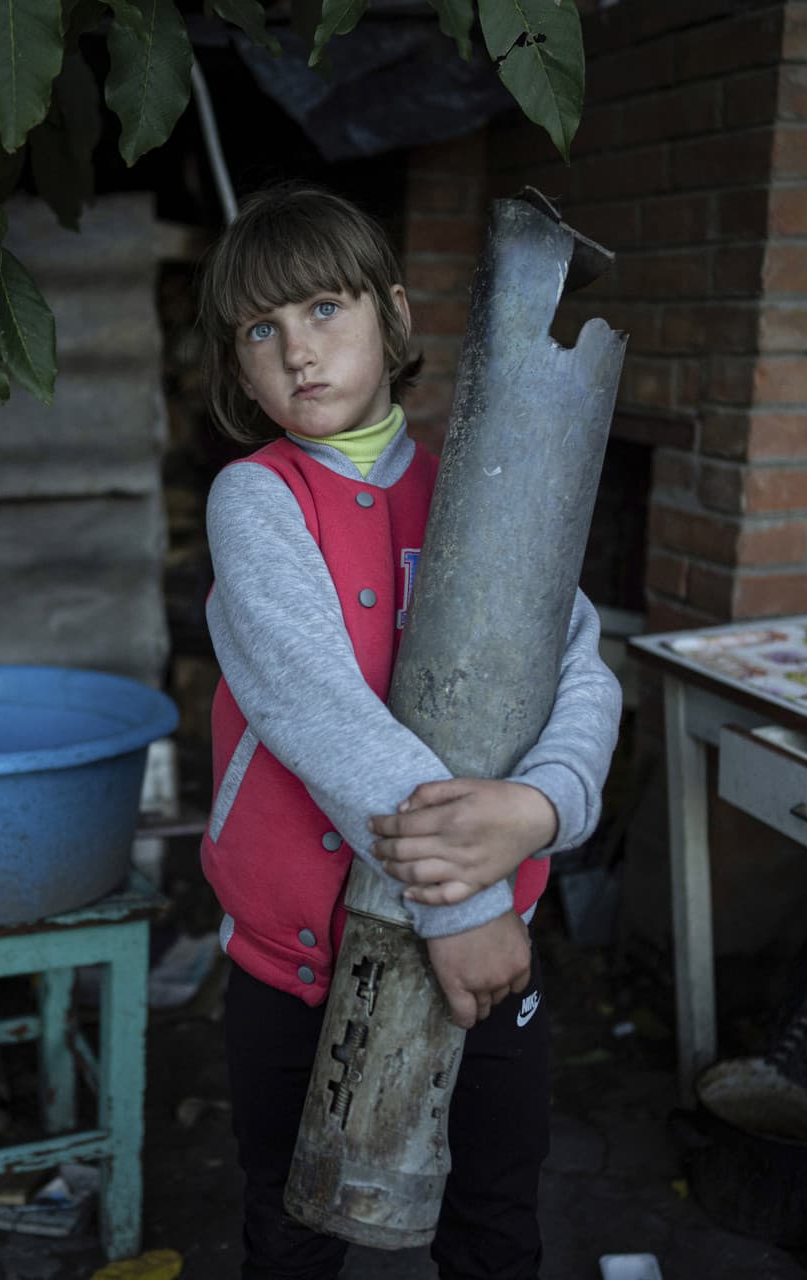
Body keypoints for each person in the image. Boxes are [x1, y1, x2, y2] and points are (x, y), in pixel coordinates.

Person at [196, 182, 622, 1279]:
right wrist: (467, 905)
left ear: (392, 316)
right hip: (299, 966)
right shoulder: (256, 501)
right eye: (261, 329)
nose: (298, 350)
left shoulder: (482, 491)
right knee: (291, 1231)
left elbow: (581, 669)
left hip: (489, 956)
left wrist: (542, 808)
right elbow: (318, 712)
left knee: (496, 1219)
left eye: (323, 308)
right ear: (238, 366)